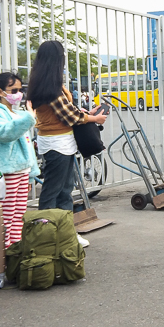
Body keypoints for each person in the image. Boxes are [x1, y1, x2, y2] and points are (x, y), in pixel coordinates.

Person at [26, 41, 108, 246]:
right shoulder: (50, 87)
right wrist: (93, 119)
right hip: (57, 144)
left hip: (60, 142)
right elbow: (70, 116)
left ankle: (65, 234)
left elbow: (67, 110)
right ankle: (44, 235)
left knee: (65, 189)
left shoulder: (46, 82)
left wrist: (87, 113)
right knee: (54, 191)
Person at [0, 72, 40, 250]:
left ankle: (14, 250)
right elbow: (3, 134)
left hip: (22, 170)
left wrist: (31, 174)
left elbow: (27, 144)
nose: (18, 93)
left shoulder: (16, 112)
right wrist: (29, 118)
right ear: (0, 91)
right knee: (7, 216)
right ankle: (2, 252)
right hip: (8, 171)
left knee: (19, 214)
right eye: (13, 90)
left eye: (20, 89)